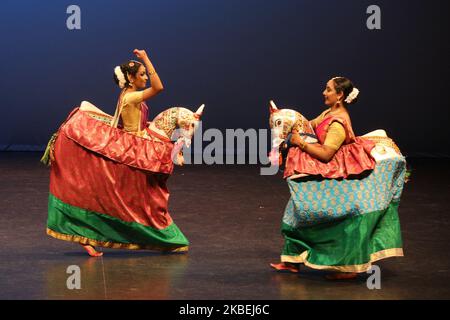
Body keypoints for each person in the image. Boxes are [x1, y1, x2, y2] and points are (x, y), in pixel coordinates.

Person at [271, 77, 405, 280]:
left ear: (339, 95)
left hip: (338, 173)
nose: (324, 93)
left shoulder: (338, 122)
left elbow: (326, 154)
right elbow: (310, 126)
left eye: (328, 90)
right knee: (296, 210)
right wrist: (288, 121)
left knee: (338, 221)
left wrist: (300, 143)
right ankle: (292, 261)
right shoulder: (329, 112)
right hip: (327, 169)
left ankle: (349, 267)